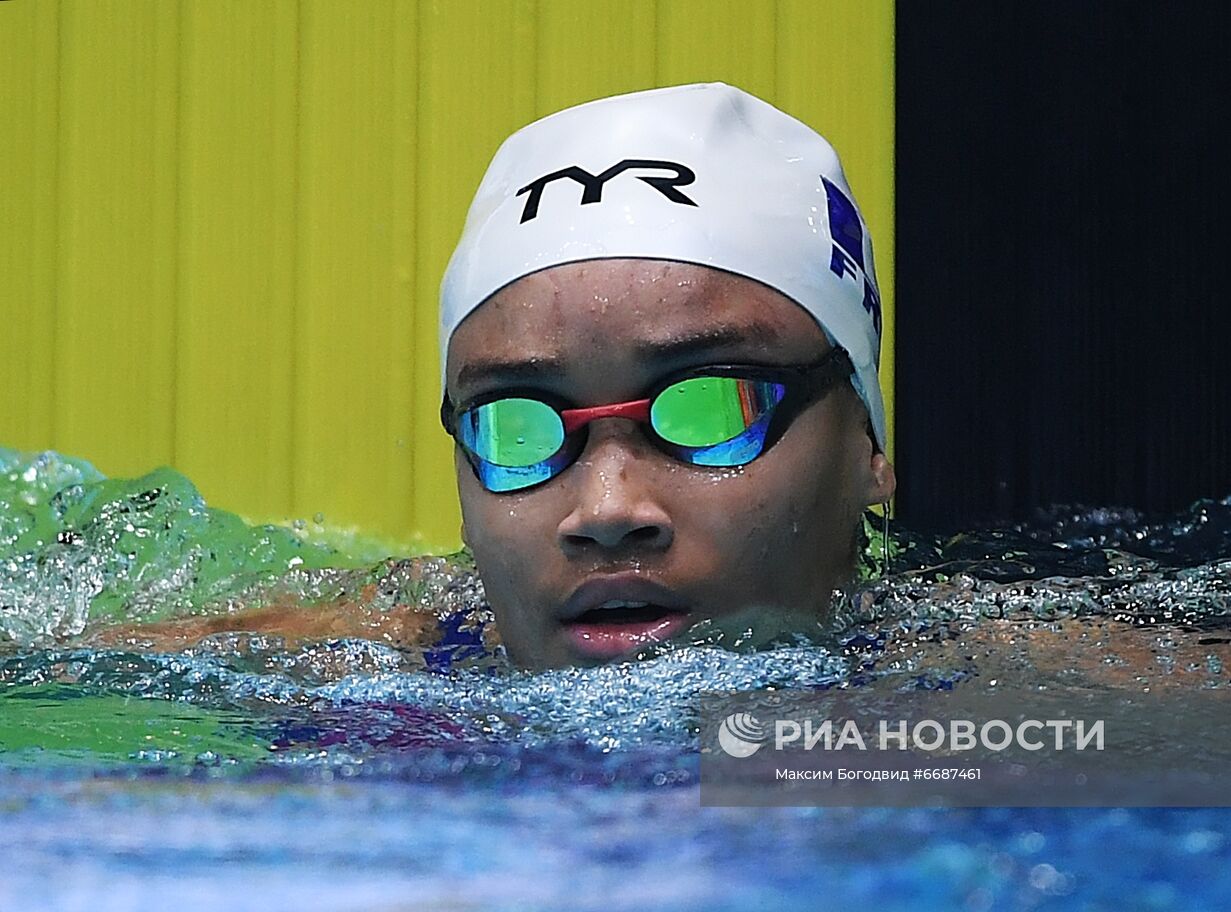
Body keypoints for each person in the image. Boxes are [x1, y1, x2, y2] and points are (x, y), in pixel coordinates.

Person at [92, 84, 897, 670]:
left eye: (715, 409)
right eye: (521, 424)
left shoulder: (976, 708)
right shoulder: (339, 669)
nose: (607, 512)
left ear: (864, 437)